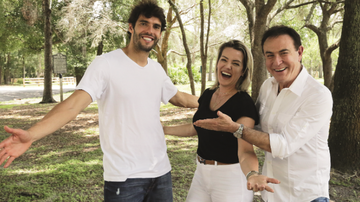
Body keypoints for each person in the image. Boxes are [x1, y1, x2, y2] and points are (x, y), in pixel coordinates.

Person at [0, 1, 199, 201]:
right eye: (144, 23)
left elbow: (180, 98)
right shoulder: (106, 64)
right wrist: (32, 135)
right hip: (125, 177)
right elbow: (72, 106)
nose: (150, 30)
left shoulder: (156, 70)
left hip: (161, 172)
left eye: (156, 27)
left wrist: (215, 100)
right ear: (131, 27)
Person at [194, 25, 333, 202]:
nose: (277, 62)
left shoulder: (317, 95)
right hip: (272, 194)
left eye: (284, 53)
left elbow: (283, 146)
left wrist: (236, 128)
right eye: (270, 55)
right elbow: (256, 127)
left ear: (299, 52)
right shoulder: (268, 86)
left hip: (305, 196)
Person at [164, 40, 280, 202]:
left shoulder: (243, 104)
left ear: (243, 71)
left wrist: (252, 174)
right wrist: (164, 130)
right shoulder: (208, 94)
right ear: (218, 63)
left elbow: (245, 150)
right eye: (224, 60)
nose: (227, 66)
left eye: (236, 63)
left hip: (230, 178)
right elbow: (197, 127)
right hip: (201, 173)